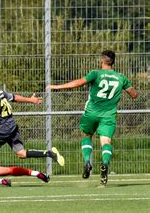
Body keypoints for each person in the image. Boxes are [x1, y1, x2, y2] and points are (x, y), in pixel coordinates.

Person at [47, 50, 138, 185]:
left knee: (86, 135)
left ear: (102, 60)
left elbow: (78, 83)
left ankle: (87, 162)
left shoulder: (96, 73)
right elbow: (134, 94)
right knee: (106, 142)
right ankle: (105, 164)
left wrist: (56, 87)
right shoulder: (121, 77)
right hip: (108, 115)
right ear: (113, 61)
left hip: (91, 113)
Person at [0, 71, 65, 182]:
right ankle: (49, 153)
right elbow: (14, 97)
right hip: (12, 125)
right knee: (21, 153)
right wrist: (31, 100)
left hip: (2, 129)